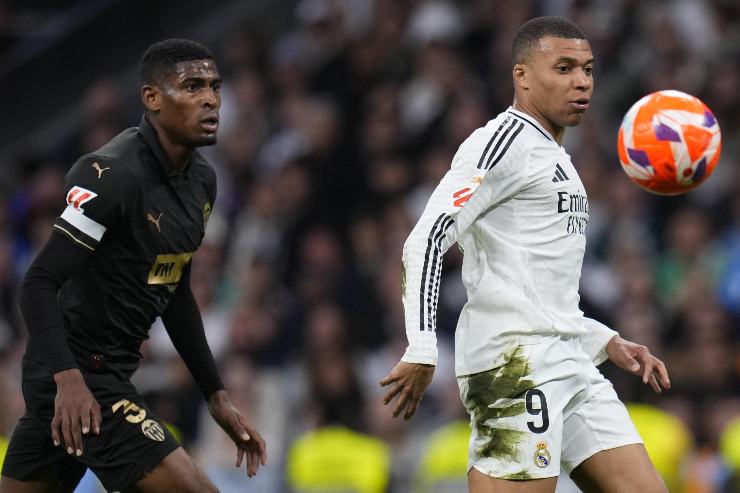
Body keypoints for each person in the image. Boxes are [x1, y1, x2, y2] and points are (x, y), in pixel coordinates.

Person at [381, 17, 670, 493]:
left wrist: (604, 340)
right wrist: (422, 346)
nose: (582, 81)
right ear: (523, 76)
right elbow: (427, 239)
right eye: (564, 68)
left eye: (588, 69)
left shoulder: (556, 157)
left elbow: (537, 282)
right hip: (514, 364)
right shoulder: (501, 143)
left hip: (570, 360)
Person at [0, 39, 266, 493]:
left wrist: (216, 394)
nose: (210, 99)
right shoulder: (111, 174)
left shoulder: (202, 182)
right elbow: (39, 283)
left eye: (215, 87)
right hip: (74, 374)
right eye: (193, 86)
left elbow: (174, 291)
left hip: (105, 374)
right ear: (152, 98)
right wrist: (69, 381)